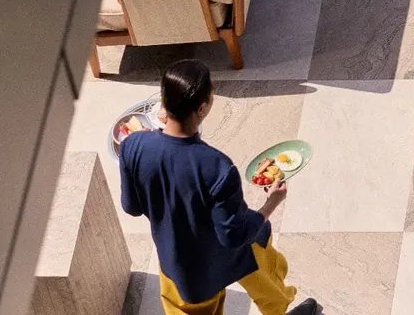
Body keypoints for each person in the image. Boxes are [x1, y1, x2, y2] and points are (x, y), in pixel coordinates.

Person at [119, 59, 320, 315]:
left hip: (178, 263)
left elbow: (132, 207)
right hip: (216, 263)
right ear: (202, 108)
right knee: (261, 260)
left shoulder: (132, 145)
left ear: (164, 101)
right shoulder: (218, 168)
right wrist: (271, 203)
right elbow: (233, 236)